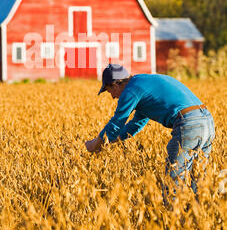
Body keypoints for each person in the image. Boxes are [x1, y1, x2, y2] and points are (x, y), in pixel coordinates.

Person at [85, 64, 215, 196]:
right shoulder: (142, 83)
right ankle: (202, 215)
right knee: (200, 183)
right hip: (207, 121)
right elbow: (136, 124)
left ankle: (174, 215)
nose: (112, 97)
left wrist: (95, 144)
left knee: (173, 183)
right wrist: (108, 142)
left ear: (115, 85)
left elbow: (117, 122)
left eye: (109, 91)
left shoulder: (131, 90)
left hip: (189, 124)